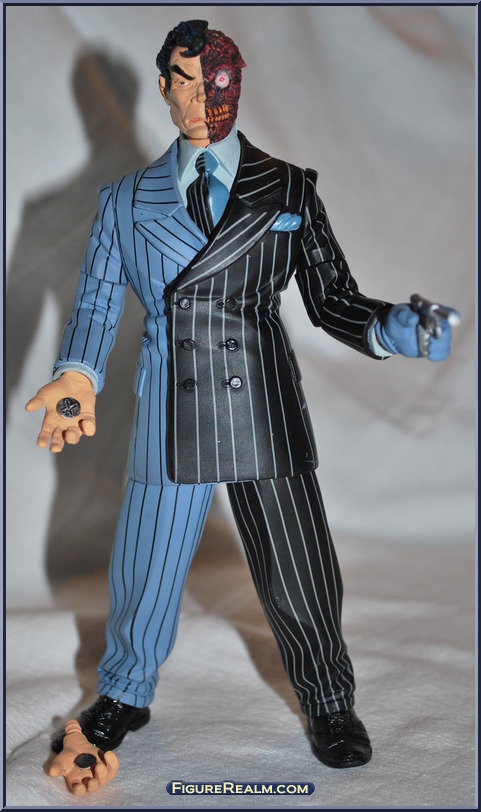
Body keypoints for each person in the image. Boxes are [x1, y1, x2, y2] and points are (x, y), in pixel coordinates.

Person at [26, 19, 458, 770]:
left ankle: (329, 700)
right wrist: (77, 375)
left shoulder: (286, 188)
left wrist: (392, 327)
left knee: (299, 571)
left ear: (239, 82)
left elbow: (333, 301)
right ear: (164, 88)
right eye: (187, 81)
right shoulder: (125, 200)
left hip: (260, 401)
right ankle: (124, 691)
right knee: (145, 568)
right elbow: (96, 304)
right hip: (171, 403)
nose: (204, 98)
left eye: (218, 80)